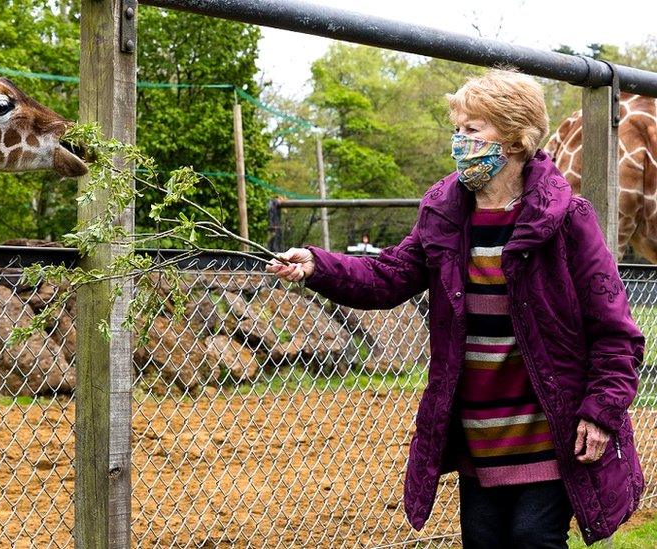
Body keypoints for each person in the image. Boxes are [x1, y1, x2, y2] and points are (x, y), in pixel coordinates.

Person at [266, 69, 645, 548]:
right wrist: (317, 265)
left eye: (472, 130)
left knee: (533, 537)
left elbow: (616, 332)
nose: (459, 141)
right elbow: (388, 276)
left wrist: (602, 410)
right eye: (457, 129)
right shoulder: (444, 213)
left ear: (512, 138)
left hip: (549, 426)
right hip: (478, 434)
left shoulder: (568, 219)